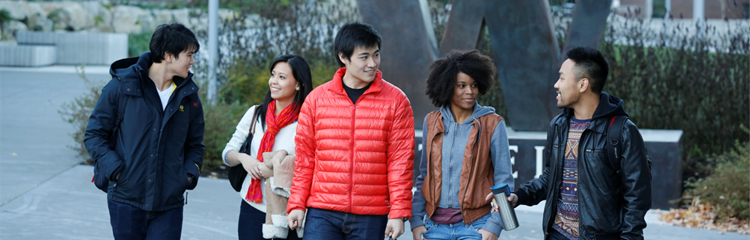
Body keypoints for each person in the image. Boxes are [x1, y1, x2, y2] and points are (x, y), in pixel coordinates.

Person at [495, 47, 651, 240]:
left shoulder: (623, 131)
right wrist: (519, 197)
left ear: (583, 84)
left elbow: (637, 197)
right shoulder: (558, 126)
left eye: (561, 78)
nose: (555, 84)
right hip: (557, 234)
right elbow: (551, 177)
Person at [285, 22, 415, 240]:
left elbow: (400, 162)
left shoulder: (396, 101)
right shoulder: (316, 100)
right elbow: (305, 159)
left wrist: (398, 212)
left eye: (376, 55)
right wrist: (297, 203)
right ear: (343, 57)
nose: (372, 63)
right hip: (322, 212)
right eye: (364, 57)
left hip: (370, 215)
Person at [84, 23, 205, 240]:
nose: (192, 61)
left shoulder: (189, 96)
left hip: (169, 203)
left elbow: (195, 144)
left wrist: (187, 176)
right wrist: (116, 170)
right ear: (168, 56)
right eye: (189, 55)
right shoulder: (122, 87)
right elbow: (94, 134)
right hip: (126, 199)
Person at [410, 50, 513, 240]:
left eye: (474, 85)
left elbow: (504, 181)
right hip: (434, 227)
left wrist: (495, 226)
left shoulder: (492, 123)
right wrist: (416, 220)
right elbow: (424, 176)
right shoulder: (431, 121)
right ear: (447, 87)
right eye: (462, 85)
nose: (470, 91)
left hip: (476, 226)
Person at [222, 54, 313, 240]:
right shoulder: (256, 114)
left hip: (288, 210)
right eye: (273, 75)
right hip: (252, 207)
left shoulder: (307, 121)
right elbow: (227, 153)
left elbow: (311, 164)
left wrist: (274, 169)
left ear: (298, 84)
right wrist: (243, 158)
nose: (274, 81)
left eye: (282, 77)